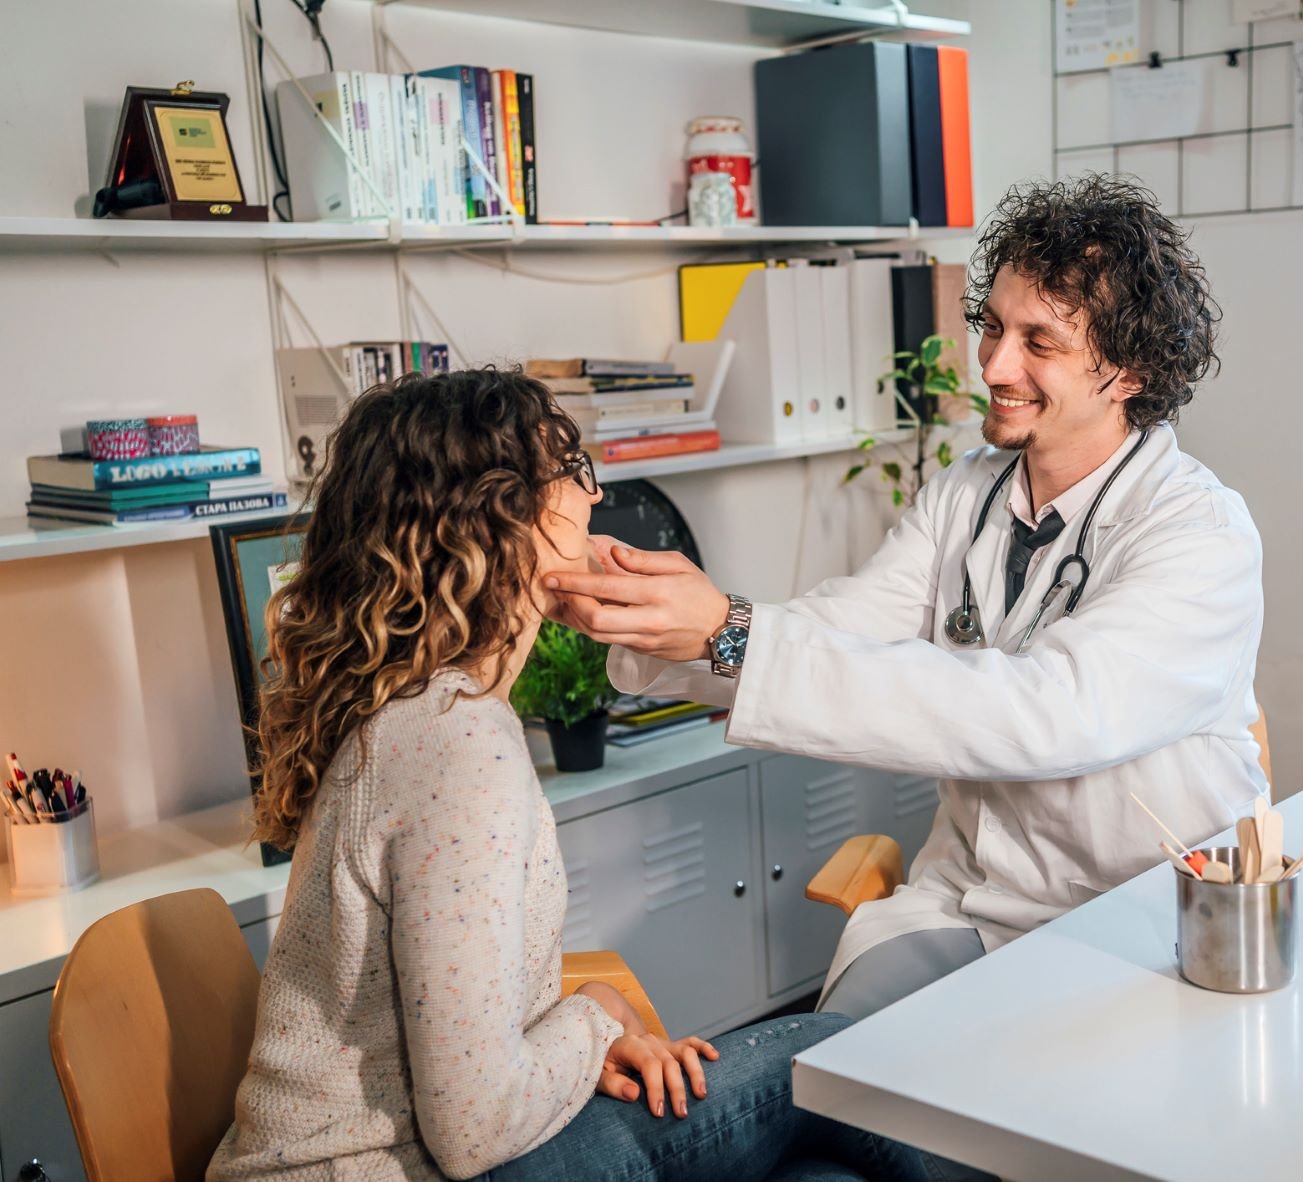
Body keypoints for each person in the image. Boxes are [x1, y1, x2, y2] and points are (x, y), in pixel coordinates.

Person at [545, 175, 1266, 1022]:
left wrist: (734, 631)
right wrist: (671, 622)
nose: (993, 365)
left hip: (1141, 917)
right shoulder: (967, 493)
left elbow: (1053, 714)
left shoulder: (1197, 531)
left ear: (1130, 369)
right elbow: (835, 633)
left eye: (1039, 341)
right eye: (992, 327)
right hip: (971, 901)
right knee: (836, 1076)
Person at [208, 371, 931, 1182]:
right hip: (395, 1170)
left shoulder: (423, 711)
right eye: (574, 469)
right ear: (502, 515)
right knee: (830, 1054)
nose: (592, 496)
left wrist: (581, 1020)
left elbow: (456, 1007)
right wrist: (589, 1020)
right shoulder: (456, 746)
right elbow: (474, 1129)